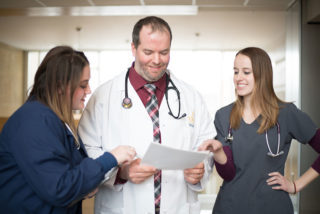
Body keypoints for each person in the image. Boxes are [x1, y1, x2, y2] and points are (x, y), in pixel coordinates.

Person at [78, 16, 215, 214]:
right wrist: (120, 172)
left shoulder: (191, 96)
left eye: (164, 52)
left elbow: (206, 146)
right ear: (133, 49)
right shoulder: (103, 97)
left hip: (178, 207)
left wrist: (200, 170)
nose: (157, 60)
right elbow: (86, 153)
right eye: (148, 52)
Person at [0, 46, 136, 214]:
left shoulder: (55, 119)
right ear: (60, 87)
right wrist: (111, 158)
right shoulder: (33, 121)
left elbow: (68, 173)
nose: (88, 91)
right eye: (83, 85)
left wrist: (86, 187)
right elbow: (59, 188)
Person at [199, 47, 320, 214]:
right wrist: (218, 152)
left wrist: (295, 185)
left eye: (246, 72)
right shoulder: (224, 115)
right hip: (230, 206)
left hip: (272, 207)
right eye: (236, 72)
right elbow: (228, 174)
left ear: (263, 75)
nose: (238, 78)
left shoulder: (286, 113)